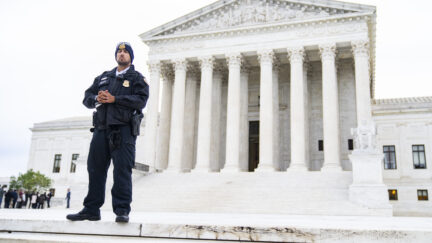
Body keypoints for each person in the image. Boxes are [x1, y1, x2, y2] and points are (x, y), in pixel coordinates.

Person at [66, 42, 149, 223]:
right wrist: (97, 98)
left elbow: (141, 100)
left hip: (123, 130)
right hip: (102, 129)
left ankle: (121, 210)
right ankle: (91, 209)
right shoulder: (104, 77)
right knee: (95, 169)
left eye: (125, 52)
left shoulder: (137, 78)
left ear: (131, 57)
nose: (122, 54)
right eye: (119, 52)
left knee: (122, 170)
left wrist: (115, 99)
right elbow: (87, 98)